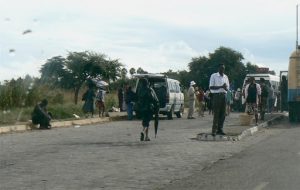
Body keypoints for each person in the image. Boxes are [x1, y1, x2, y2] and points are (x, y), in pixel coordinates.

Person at [209, 63, 230, 136]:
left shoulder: (226, 77)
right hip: (216, 96)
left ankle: (220, 129)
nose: (222, 70)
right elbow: (211, 87)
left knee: (223, 114)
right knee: (216, 114)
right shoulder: (214, 76)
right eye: (221, 68)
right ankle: (214, 130)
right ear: (218, 69)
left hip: (224, 96)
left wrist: (225, 88)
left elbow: (227, 89)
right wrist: (221, 86)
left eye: (223, 68)